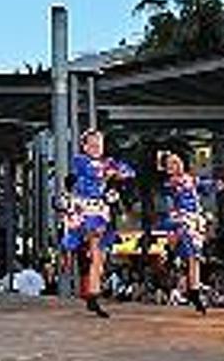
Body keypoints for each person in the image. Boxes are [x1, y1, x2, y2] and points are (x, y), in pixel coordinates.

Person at [60, 129, 135, 318]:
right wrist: (111, 172)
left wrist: (117, 172)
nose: (96, 147)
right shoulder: (80, 160)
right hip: (82, 207)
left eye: (99, 144)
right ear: (84, 147)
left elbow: (129, 172)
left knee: (99, 252)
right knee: (84, 242)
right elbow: (94, 171)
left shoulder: (107, 162)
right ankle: (68, 255)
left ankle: (93, 293)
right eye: (91, 144)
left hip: (98, 209)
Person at [160, 152, 209, 315]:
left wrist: (221, 183)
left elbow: (205, 185)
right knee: (187, 254)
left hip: (195, 221)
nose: (177, 165)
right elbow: (168, 203)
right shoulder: (169, 184)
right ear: (167, 169)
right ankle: (177, 278)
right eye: (172, 163)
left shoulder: (191, 179)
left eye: (178, 161)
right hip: (181, 221)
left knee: (195, 257)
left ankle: (194, 291)